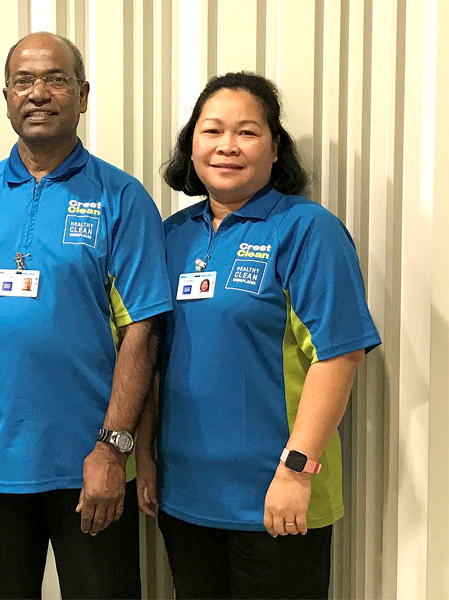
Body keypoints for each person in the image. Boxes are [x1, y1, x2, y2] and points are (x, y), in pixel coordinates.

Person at [0, 32, 172, 599]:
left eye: (56, 79)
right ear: (6, 96)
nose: (39, 93)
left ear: (83, 95)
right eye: (24, 81)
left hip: (90, 468)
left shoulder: (121, 197)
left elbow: (143, 331)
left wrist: (114, 449)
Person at [135, 72, 380, 599]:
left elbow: (340, 355)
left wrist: (296, 470)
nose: (227, 146)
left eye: (247, 132)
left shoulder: (308, 230)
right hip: (188, 499)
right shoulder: (171, 236)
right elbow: (153, 357)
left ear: (275, 151)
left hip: (279, 498)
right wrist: (146, 458)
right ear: (191, 147)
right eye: (211, 131)